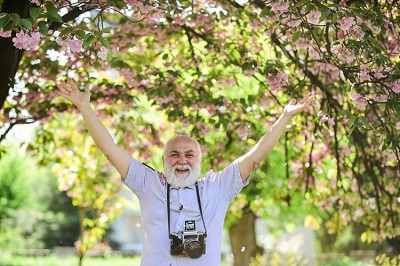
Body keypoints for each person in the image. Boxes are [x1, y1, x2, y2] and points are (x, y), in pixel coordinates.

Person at [56, 78, 313, 266]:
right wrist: (85, 108)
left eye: (189, 154)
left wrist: (285, 118)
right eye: (174, 154)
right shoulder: (147, 183)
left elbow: (255, 157)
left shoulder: (218, 187)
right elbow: (110, 150)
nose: (182, 160)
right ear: (163, 159)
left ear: (200, 160)